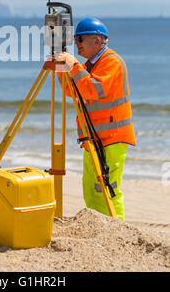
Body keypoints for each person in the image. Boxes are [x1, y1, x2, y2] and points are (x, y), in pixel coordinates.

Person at [56, 17, 136, 220]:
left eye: (80, 39)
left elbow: (92, 89)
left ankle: (117, 228)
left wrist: (73, 65)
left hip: (112, 138)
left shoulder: (112, 62)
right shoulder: (90, 65)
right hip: (94, 140)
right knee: (91, 190)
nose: (77, 44)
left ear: (97, 41)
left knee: (108, 189)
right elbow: (71, 91)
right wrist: (61, 68)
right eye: (75, 39)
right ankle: (100, 226)